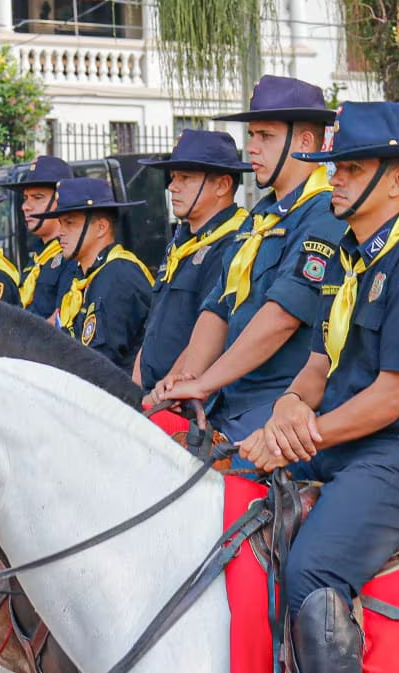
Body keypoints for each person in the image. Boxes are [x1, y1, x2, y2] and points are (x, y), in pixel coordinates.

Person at [241, 101, 399, 672]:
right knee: (237, 500)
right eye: (334, 167)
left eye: (349, 169)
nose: (334, 179)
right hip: (351, 442)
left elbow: (395, 395)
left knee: (312, 570)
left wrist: (303, 439)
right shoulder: (352, 259)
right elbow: (321, 361)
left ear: (397, 181)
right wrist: (288, 408)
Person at [154, 75, 344, 452]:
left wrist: (204, 383)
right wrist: (182, 378)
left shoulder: (324, 214)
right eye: (252, 135)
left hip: (280, 406)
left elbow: (282, 318)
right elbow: (218, 309)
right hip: (228, 402)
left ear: (306, 142)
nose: (251, 147)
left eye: (265, 137)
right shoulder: (261, 218)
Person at [133, 129, 252, 392]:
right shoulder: (182, 241)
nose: (172, 186)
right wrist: (135, 386)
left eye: (185, 178)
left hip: (186, 395)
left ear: (222, 185)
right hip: (153, 394)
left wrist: (167, 390)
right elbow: (155, 323)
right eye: (173, 177)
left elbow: (211, 331)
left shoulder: (234, 242)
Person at [35, 177, 154, 373]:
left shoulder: (117, 275)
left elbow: (98, 364)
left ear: (101, 227)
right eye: (61, 223)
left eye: (70, 223)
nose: (60, 233)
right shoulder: (83, 276)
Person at [0, 155, 78, 316]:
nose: (25, 207)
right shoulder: (38, 257)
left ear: (61, 200)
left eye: (37, 198)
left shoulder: (71, 257)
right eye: (25, 198)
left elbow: (60, 322)